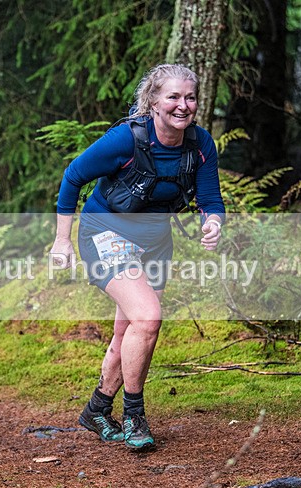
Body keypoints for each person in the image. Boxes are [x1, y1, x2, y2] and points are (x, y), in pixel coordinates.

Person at [49, 64, 224, 451]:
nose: (183, 105)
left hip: (156, 241)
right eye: (173, 97)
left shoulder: (200, 144)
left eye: (190, 97)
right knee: (148, 318)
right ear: (154, 101)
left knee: (128, 330)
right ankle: (134, 415)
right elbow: (73, 176)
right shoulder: (126, 140)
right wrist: (62, 240)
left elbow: (210, 198)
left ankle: (97, 410)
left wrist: (214, 222)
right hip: (105, 234)